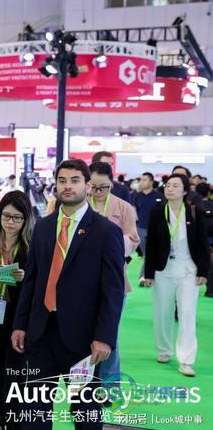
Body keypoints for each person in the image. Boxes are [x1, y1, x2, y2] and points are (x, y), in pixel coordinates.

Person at [11, 159, 125, 430]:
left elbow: (113, 291)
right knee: (34, 412)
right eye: (62, 180)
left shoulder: (106, 231)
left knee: (85, 413)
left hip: (83, 339)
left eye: (75, 180)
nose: (67, 186)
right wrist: (20, 324)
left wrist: (105, 337)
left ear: (88, 185)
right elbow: (32, 281)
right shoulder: (43, 226)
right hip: (40, 333)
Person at [144, 174, 209, 377]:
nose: (170, 188)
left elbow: (203, 244)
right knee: (162, 312)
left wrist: (203, 271)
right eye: (168, 185)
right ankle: (164, 350)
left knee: (187, 313)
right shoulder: (157, 212)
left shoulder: (195, 212)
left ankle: (187, 360)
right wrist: (148, 273)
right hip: (163, 270)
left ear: (185, 190)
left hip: (189, 270)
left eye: (175, 185)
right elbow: (151, 244)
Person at [0, 191, 34, 429]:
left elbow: (38, 285)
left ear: (26, 220)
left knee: (15, 375)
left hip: (16, 319)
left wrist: (25, 277)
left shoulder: (31, 248)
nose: (10, 222)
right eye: (6, 216)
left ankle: (14, 422)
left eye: (17, 218)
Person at [88, 162, 140, 382]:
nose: (98, 192)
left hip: (114, 279)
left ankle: (110, 386)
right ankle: (86, 386)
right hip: (83, 280)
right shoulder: (79, 204)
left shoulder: (124, 208)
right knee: (82, 334)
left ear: (112, 184)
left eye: (104, 187)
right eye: (94, 187)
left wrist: (110, 244)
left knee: (110, 336)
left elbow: (133, 240)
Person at [134, 172, 164, 286]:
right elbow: (134, 212)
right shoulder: (136, 196)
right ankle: (146, 276)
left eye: (145, 180)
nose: (141, 182)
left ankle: (144, 276)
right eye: (140, 180)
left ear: (151, 182)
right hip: (140, 229)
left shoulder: (159, 196)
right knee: (147, 254)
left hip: (155, 230)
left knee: (150, 253)